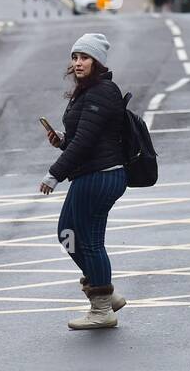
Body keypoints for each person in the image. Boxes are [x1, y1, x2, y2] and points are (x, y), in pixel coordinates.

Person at [38, 32, 129, 330]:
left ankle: (102, 308)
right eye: (75, 57)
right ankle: (107, 294)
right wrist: (62, 140)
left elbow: (86, 143)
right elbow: (83, 139)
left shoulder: (101, 92)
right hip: (93, 174)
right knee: (69, 233)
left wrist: (54, 173)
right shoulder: (87, 91)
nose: (78, 63)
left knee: (88, 242)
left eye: (85, 57)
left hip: (100, 176)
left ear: (97, 62)